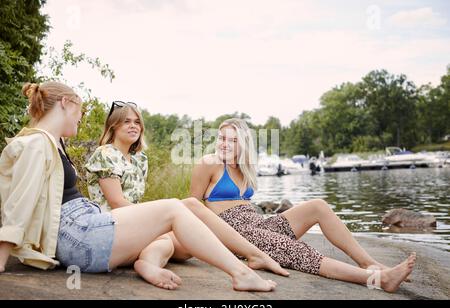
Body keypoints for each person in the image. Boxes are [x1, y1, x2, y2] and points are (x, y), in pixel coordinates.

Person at [0, 82, 277, 292]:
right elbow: (18, 203)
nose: (80, 118)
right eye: (80, 110)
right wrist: (2, 258)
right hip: (78, 236)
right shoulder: (36, 144)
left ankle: (252, 256)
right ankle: (241, 272)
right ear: (64, 103)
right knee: (173, 208)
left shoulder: (53, 141)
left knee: (186, 208)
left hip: (87, 224)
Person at [190, 118, 416, 293]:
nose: (225, 144)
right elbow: (192, 207)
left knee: (318, 205)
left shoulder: (245, 167)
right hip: (235, 235)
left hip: (259, 226)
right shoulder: (209, 163)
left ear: (244, 143)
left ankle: (369, 263)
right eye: (222, 138)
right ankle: (380, 280)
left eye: (233, 140)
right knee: (300, 251)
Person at [85, 101, 289, 289]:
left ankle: (148, 265)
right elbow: (117, 202)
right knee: (190, 205)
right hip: (110, 226)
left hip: (132, 227)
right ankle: (252, 257)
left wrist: (154, 222)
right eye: (126, 122)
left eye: (137, 122)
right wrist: (156, 216)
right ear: (113, 126)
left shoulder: (139, 159)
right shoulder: (106, 153)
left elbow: (134, 203)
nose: (133, 126)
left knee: (178, 242)